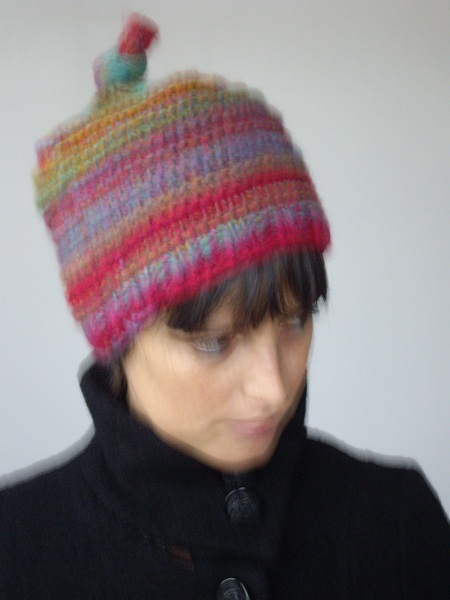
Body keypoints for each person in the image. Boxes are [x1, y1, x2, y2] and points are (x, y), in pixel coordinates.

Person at [0, 14, 448, 600]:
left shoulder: (397, 521)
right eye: (215, 342)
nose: (274, 389)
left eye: (295, 321)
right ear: (115, 339)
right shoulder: (18, 550)